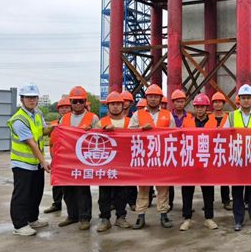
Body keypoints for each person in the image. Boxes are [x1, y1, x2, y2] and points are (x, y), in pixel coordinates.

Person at [7, 82, 53, 236]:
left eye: (34, 97)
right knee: (22, 195)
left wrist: (53, 127)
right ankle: (19, 225)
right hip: (22, 164)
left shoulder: (37, 113)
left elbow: (43, 131)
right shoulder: (19, 120)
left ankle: (32, 219)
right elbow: (32, 144)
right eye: (28, 97)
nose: (32, 100)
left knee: (36, 193)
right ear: (22, 99)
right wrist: (44, 161)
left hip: (35, 164)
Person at [129, 84, 176, 229]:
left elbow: (173, 134)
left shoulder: (168, 115)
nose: (153, 99)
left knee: (163, 189)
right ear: (146, 98)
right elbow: (129, 133)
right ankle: (140, 216)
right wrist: (141, 130)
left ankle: (163, 215)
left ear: (160, 99)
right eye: (151, 96)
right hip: (144, 157)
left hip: (162, 157)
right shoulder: (138, 115)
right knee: (143, 189)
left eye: (156, 97)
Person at [224, 84, 251, 231]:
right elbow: (224, 135)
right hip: (237, 159)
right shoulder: (231, 116)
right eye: (243, 98)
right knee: (237, 192)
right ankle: (238, 220)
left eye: (248, 98)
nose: (246, 100)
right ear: (239, 100)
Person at [58, 86, 99, 231]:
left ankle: (85, 218)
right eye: (74, 101)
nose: (77, 104)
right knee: (67, 190)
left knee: (82, 190)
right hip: (67, 159)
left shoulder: (93, 118)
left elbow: (99, 138)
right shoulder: (64, 118)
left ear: (85, 102)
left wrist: (91, 132)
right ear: (70, 102)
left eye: (80, 101)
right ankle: (72, 215)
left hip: (84, 159)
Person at [179, 94, 219, 231]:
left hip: (207, 163)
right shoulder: (187, 122)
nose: (200, 109)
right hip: (190, 163)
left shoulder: (214, 123)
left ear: (207, 107)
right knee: (187, 191)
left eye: (202, 106)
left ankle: (209, 218)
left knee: (208, 192)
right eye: (197, 107)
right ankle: (187, 219)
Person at [93, 92, 132, 231]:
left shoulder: (130, 122)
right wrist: (103, 130)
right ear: (108, 106)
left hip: (123, 163)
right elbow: (93, 140)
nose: (115, 107)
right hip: (105, 164)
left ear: (123, 105)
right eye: (112, 104)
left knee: (122, 192)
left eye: (118, 104)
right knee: (104, 193)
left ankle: (121, 217)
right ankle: (105, 219)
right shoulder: (101, 123)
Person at [43, 97, 71, 214]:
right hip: (56, 157)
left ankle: (72, 209)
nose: (64, 110)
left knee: (69, 185)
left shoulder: (73, 123)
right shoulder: (53, 124)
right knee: (56, 182)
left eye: (66, 107)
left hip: (69, 159)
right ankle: (56, 203)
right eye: (61, 108)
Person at [211, 92, 232, 210]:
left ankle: (226, 201)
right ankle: (209, 201)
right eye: (215, 102)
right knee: (210, 178)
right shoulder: (209, 118)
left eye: (220, 102)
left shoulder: (228, 118)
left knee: (225, 177)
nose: (218, 104)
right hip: (212, 151)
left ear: (223, 104)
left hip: (225, 151)